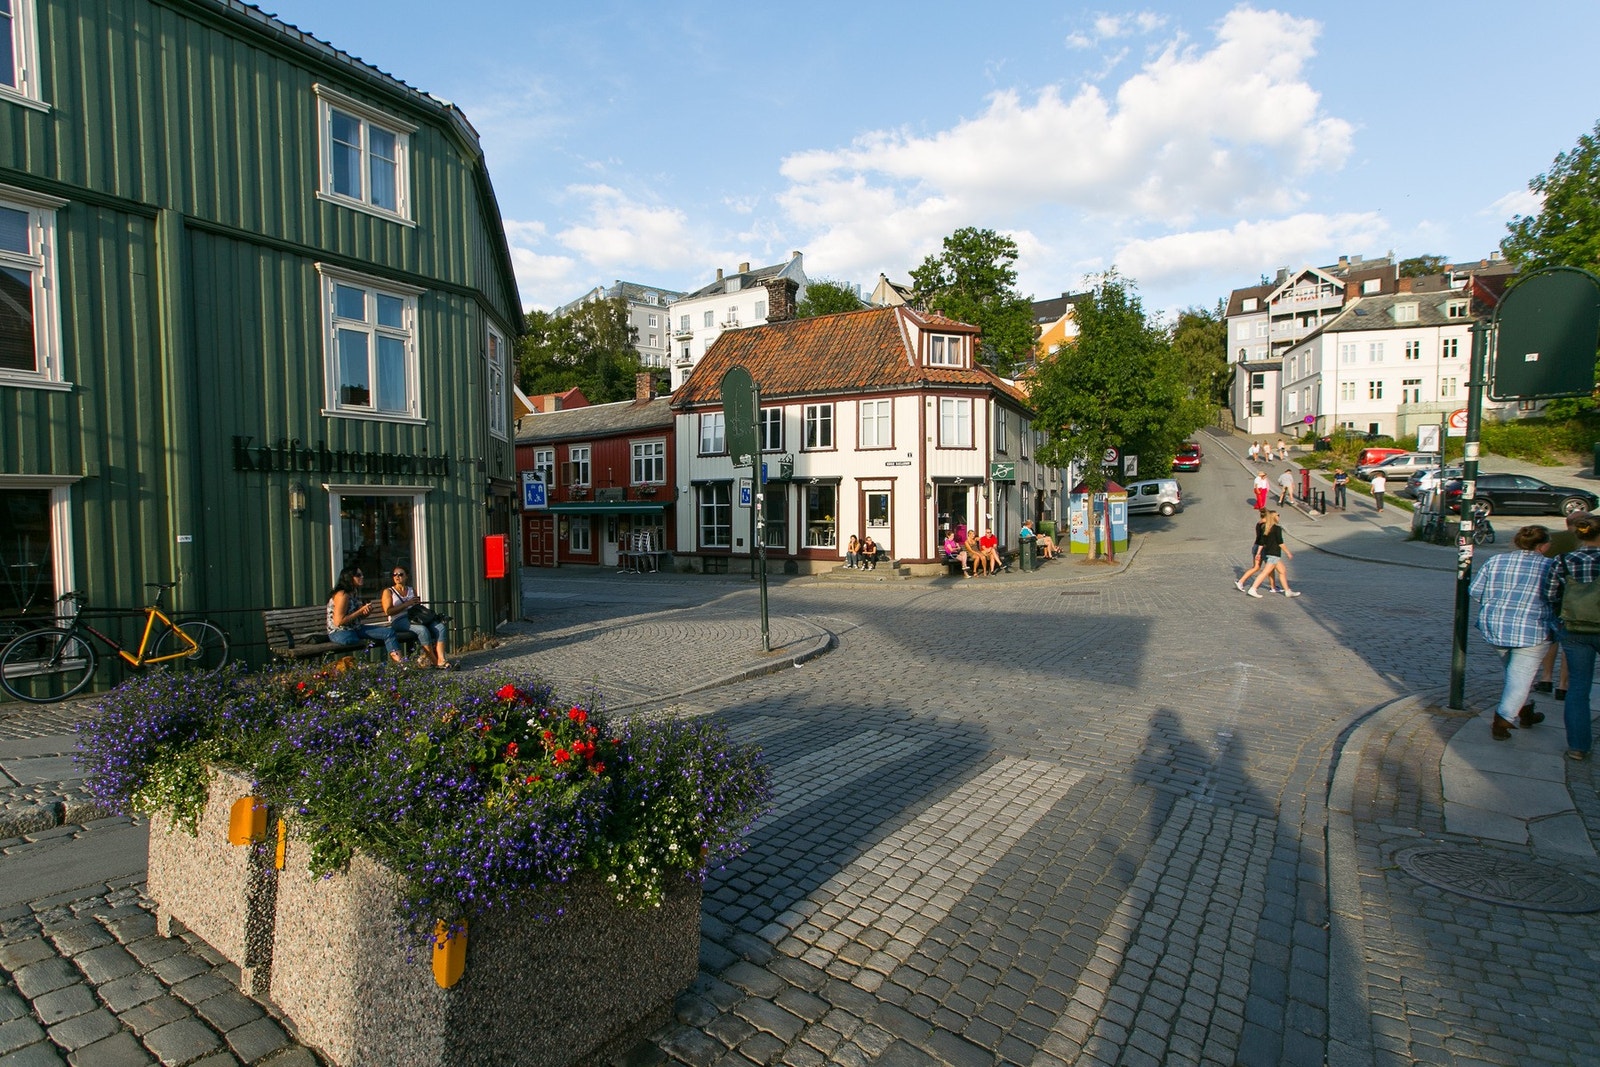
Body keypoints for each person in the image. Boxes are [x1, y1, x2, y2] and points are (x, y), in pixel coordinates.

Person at [1472, 525, 1555, 741]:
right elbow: (1554, 596)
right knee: (1520, 677)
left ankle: (1525, 711)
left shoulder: (1496, 560)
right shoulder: (1550, 565)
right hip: (1532, 629)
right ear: (1542, 546)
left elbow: (1475, 590)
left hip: (1496, 626)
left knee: (1515, 674)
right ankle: (1503, 720)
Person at [1547, 514, 1600, 759]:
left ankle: (1578, 746)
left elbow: (1551, 594)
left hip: (1575, 627)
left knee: (1578, 688)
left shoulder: (1563, 559)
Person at [326, 566, 403, 664]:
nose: (362, 577)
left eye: (362, 575)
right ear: (349, 578)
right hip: (339, 631)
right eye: (358, 575)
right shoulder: (342, 595)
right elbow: (338, 622)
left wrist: (365, 613)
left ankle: (400, 664)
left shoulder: (353, 592)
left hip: (355, 628)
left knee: (389, 632)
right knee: (351, 639)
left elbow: (355, 616)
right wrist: (360, 611)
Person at [383, 567, 451, 669]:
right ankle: (435, 661)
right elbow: (388, 611)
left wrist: (416, 604)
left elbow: (416, 607)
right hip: (399, 619)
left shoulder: (411, 590)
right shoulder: (389, 591)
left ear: (406, 576)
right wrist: (406, 604)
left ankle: (442, 659)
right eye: (395, 574)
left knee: (440, 627)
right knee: (422, 630)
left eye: (400, 574)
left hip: (415, 617)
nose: (397, 577)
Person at [1245, 511, 1300, 598]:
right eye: (1278, 515)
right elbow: (1280, 542)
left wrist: (1258, 553)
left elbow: (1261, 542)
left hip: (1270, 553)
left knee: (1282, 571)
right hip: (1274, 554)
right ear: (1274, 517)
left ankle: (1288, 591)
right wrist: (1288, 552)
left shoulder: (1265, 527)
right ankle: (1253, 589)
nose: (1279, 517)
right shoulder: (1277, 528)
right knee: (1265, 572)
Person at [1235, 509, 1282, 594]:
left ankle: (1273, 586)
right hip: (1261, 548)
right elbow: (1262, 540)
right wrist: (1259, 552)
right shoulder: (1264, 525)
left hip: (1257, 546)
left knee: (1267, 567)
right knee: (1259, 567)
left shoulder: (1259, 523)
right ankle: (1241, 581)